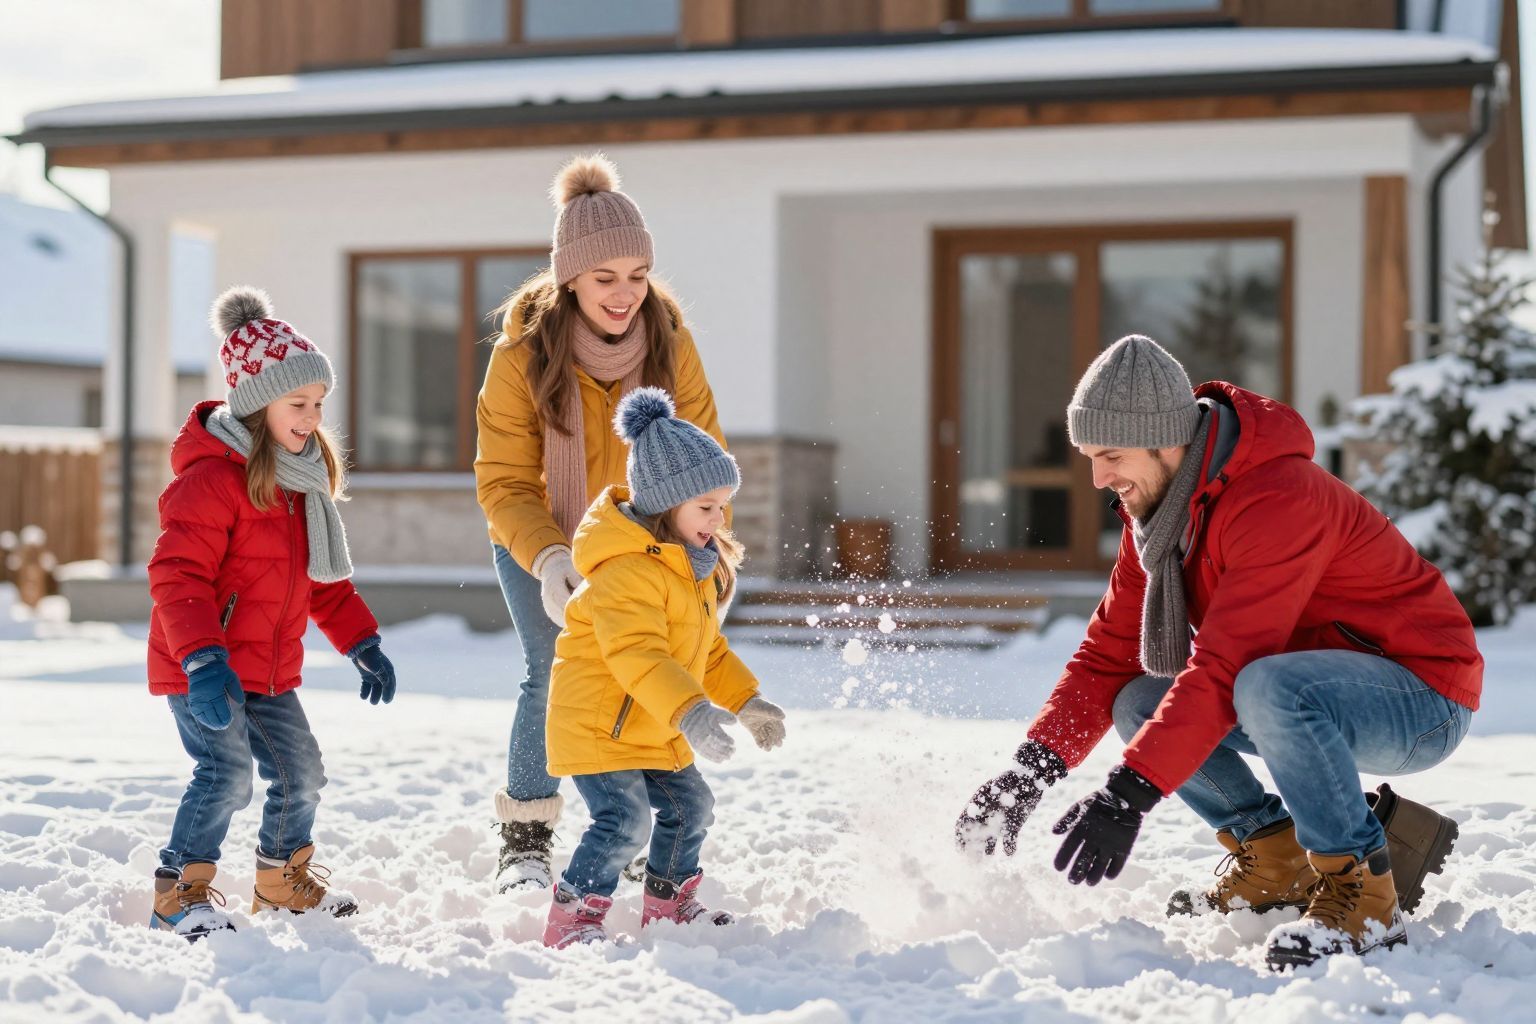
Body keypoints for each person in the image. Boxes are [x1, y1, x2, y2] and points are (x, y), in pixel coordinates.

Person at [955, 334, 1480, 971]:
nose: (1099, 479)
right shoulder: (1160, 520)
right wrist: (1027, 775)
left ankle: (1363, 890)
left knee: (1266, 686)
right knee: (1139, 700)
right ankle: (1275, 856)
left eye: (1111, 455)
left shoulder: (1278, 498)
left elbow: (1227, 667)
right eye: (1090, 458)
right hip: (1298, 693)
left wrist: (1128, 794)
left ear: (1164, 440)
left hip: (1421, 699)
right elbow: (1106, 658)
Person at [476, 154, 728, 892]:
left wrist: (708, 549)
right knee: (551, 672)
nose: (624, 294)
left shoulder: (672, 345)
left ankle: (651, 826)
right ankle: (526, 834)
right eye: (604, 277)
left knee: (649, 667)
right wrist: (551, 558)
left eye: (637, 275)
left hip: (648, 549)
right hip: (542, 540)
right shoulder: (521, 357)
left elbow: (703, 460)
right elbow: (504, 481)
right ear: (569, 280)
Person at [146, 287, 398, 940]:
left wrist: (362, 641)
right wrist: (203, 659)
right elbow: (177, 576)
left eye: (319, 404)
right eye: (298, 404)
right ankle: (178, 893)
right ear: (259, 404)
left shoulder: (299, 485)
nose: (312, 417)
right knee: (226, 775)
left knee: (302, 772)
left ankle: (281, 882)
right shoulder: (210, 481)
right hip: (205, 667)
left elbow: (322, 584)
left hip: (269, 669)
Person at [540, 388, 786, 948]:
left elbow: (708, 652)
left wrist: (746, 701)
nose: (718, 518)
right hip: (601, 725)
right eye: (706, 506)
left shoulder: (687, 569)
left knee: (692, 806)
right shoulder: (626, 572)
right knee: (625, 822)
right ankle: (572, 918)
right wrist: (692, 711)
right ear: (665, 504)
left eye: (722, 506)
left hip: (654, 721)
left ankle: (669, 904)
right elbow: (640, 654)